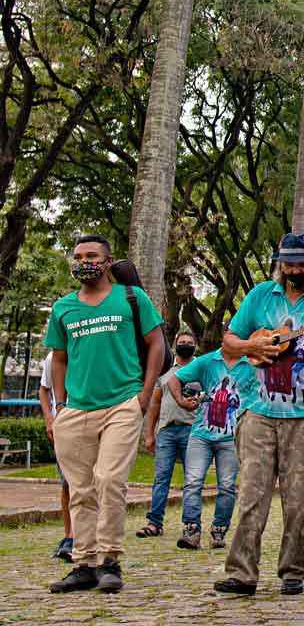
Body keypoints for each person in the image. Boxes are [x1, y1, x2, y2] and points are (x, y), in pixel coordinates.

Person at [214, 232, 304, 597]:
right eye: (288, 263)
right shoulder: (260, 295)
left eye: (302, 263)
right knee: (251, 496)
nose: (295, 269)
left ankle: (292, 571)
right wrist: (252, 345)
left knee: (298, 501)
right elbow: (228, 341)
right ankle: (242, 574)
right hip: (258, 411)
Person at [45, 235, 165, 594]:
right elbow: (60, 358)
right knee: (80, 489)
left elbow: (156, 343)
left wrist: (144, 396)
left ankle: (110, 560)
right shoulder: (63, 307)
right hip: (76, 409)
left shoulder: (130, 298)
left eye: (93, 256)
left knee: (109, 480)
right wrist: (61, 405)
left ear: (108, 261)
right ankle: (83, 563)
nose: (85, 262)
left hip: (122, 404)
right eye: (79, 256)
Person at [167, 342, 254, 550]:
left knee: (226, 486)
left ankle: (219, 530)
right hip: (201, 435)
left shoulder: (251, 365)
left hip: (230, 437)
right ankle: (191, 529)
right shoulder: (208, 361)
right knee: (193, 482)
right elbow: (174, 379)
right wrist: (181, 401)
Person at [137, 330, 200, 539]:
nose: (185, 344)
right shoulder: (165, 371)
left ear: (195, 346)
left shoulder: (202, 369)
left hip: (193, 430)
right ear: (174, 345)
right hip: (166, 430)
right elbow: (154, 403)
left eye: (189, 342)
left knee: (193, 479)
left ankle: (191, 524)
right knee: (161, 477)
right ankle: (154, 522)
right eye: (181, 341)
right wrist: (149, 434)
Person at [37, 350, 73, 562]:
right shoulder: (53, 357)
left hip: (87, 419)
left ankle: (85, 535)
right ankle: (69, 535)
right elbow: (43, 390)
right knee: (67, 483)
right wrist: (49, 419)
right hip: (63, 425)